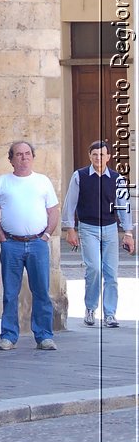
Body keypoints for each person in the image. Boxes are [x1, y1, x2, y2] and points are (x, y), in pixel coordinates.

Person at [0, 141, 60, 350]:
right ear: (11, 159)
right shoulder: (1, 183)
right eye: (18, 155)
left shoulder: (43, 181)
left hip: (38, 243)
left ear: (33, 157)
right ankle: (9, 336)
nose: (24, 158)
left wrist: (46, 235)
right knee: (10, 293)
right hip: (12, 244)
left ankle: (44, 335)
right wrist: (2, 239)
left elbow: (53, 211)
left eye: (27, 154)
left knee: (42, 291)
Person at [61, 140, 135, 327]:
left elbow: (123, 206)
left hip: (110, 229)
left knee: (111, 272)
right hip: (88, 228)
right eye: (94, 154)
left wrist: (128, 232)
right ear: (89, 156)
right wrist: (70, 228)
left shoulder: (117, 179)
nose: (98, 158)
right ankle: (91, 308)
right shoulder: (80, 176)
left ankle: (110, 314)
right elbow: (70, 203)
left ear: (108, 157)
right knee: (93, 268)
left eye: (102, 154)